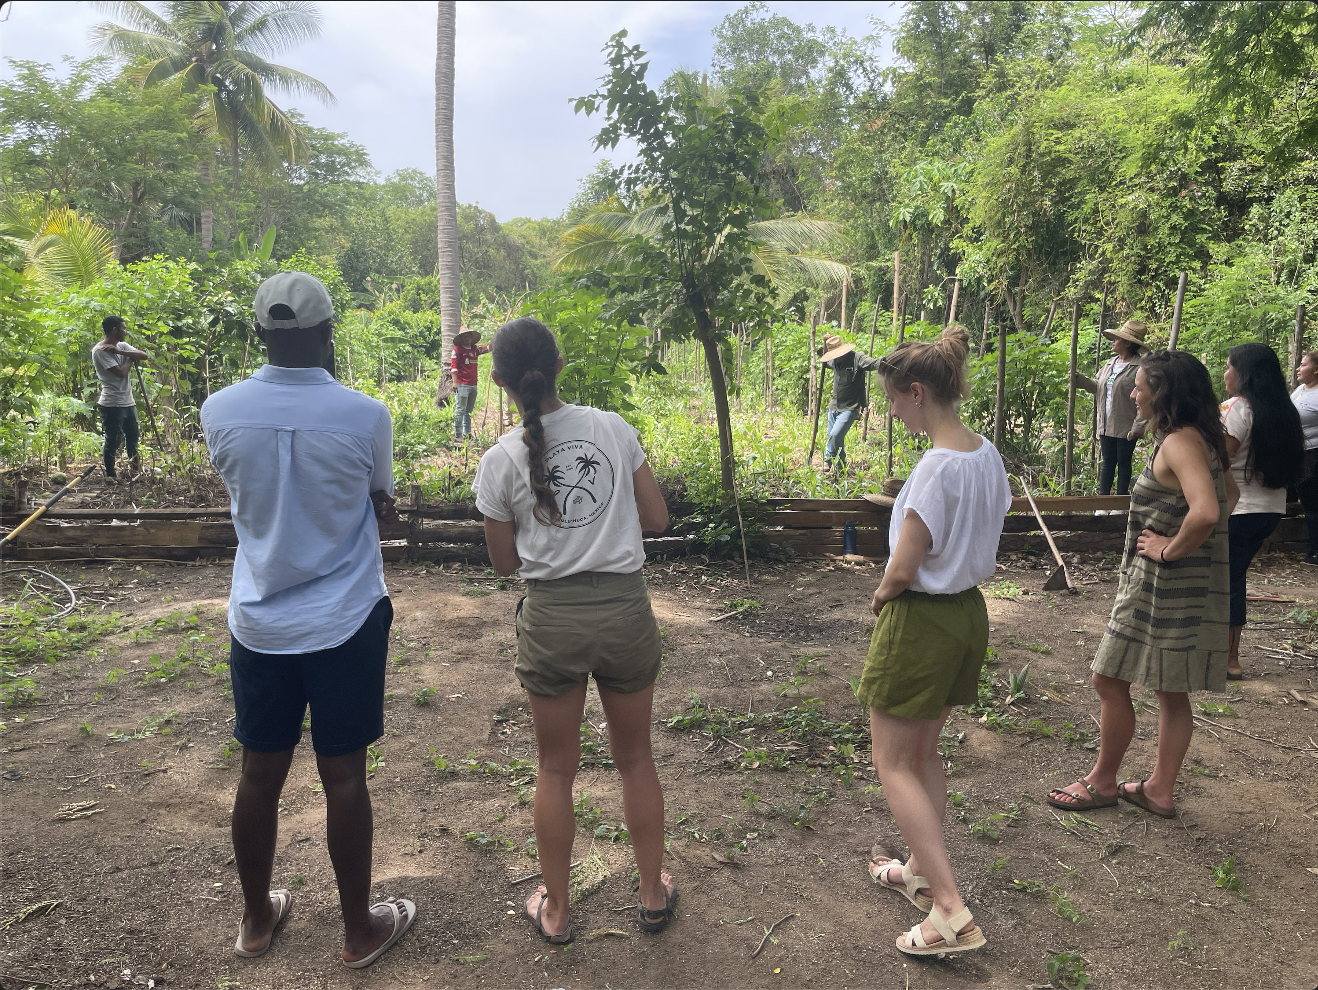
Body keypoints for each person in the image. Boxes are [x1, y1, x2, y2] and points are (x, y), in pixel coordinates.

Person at [200, 271, 416, 968]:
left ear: (259, 334)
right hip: (346, 616)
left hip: (259, 620)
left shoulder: (219, 410)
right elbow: (379, 500)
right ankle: (359, 930)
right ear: (329, 335)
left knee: (258, 775)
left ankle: (256, 919)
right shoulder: (365, 415)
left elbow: (250, 493)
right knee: (344, 775)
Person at [473, 317, 675, 944]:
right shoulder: (611, 429)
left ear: (499, 381)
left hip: (552, 621)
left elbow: (505, 566)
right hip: (624, 612)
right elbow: (658, 518)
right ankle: (650, 895)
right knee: (636, 759)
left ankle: (557, 912)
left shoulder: (499, 460)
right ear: (559, 366)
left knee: (555, 769)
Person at [857, 326, 1010, 957]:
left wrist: (882, 593)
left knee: (891, 762)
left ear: (917, 393)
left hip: (921, 618)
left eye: (893, 399)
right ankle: (921, 870)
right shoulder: (986, 455)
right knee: (922, 755)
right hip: (968, 616)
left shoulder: (933, 471)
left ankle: (950, 911)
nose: (890, 411)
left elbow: (906, 561)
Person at [1047, 350, 1237, 819]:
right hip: (1192, 584)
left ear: (1164, 392)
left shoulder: (1178, 442)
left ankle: (1102, 781)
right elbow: (1229, 495)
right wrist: (1194, 546)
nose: (1132, 392)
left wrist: (1168, 548)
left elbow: (1208, 510)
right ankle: (1158, 790)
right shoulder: (1205, 438)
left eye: (1140, 386)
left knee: (1108, 678)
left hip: (1162, 584)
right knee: (1172, 690)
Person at [1221, 343, 1304, 679]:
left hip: (1237, 509)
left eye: (1228, 367)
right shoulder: (1284, 411)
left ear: (1245, 375)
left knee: (1227, 580)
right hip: (1269, 509)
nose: (1225, 374)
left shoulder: (1237, 407)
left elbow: (1220, 459)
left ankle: (1229, 658)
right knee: (1233, 575)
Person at [1072, 319, 1148, 495]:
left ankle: (1119, 502)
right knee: (1107, 463)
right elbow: (1097, 387)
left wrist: (1138, 427)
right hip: (1106, 423)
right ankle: (1103, 501)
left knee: (1123, 462)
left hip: (1126, 424)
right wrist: (1079, 379)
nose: (1113, 342)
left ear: (1128, 343)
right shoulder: (1109, 364)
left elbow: (1145, 398)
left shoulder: (1140, 367)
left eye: (1117, 339)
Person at [91, 315, 150, 480]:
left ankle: (136, 471)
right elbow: (120, 373)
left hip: (128, 402)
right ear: (115, 330)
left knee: (133, 438)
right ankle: (110, 475)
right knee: (113, 440)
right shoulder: (99, 351)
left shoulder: (121, 345)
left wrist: (120, 352)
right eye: (123, 328)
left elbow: (143, 355)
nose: (126, 331)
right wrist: (130, 359)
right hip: (111, 404)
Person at [819, 333, 882, 472]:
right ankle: (841, 469)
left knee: (835, 435)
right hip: (834, 406)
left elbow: (874, 363)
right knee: (837, 439)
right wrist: (825, 342)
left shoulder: (857, 358)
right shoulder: (835, 362)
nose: (834, 358)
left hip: (850, 407)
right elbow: (824, 360)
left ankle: (827, 460)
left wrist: (891, 360)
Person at [1289, 351, 1318, 565]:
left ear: (1316, 369)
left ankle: (1314, 551)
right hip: (1298, 452)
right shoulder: (1300, 390)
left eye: (1303, 364)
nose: (1299, 368)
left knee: (1312, 503)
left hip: (1315, 453)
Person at [452, 326, 490, 440]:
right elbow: (454, 368)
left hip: (473, 384)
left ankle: (467, 433)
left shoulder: (475, 350)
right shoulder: (457, 350)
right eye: (464, 336)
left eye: (469, 335)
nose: (467, 338)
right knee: (460, 409)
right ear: (461, 338)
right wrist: (454, 382)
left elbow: (488, 348)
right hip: (462, 384)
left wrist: (499, 336)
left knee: (469, 410)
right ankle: (458, 434)